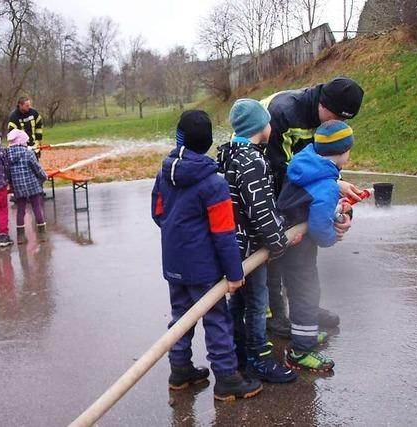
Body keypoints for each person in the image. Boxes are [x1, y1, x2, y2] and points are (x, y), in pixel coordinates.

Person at [151, 110, 262, 402]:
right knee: (216, 320)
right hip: (204, 270)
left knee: (181, 317)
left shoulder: (164, 173)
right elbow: (224, 233)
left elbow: (158, 213)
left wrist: (178, 239)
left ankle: (180, 371)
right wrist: (235, 273)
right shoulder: (215, 184)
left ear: (180, 139)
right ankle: (226, 378)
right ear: (208, 143)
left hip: (174, 264)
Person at [261, 76, 364, 335]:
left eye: (345, 120)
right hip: (265, 182)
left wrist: (338, 206)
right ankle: (273, 316)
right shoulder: (282, 113)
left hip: (293, 183)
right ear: (322, 102)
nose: (337, 124)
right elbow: (279, 175)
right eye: (336, 116)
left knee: (304, 251)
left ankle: (304, 308)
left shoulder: (328, 122)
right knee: (272, 253)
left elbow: (326, 165)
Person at [223, 99, 297, 383]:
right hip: (250, 248)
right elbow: (261, 208)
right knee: (256, 303)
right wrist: (278, 242)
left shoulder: (230, 153)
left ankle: (239, 353)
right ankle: (259, 358)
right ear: (259, 127)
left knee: (238, 303)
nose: (271, 126)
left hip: (233, 247)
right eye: (267, 122)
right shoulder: (253, 160)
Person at [276, 120, 355, 372]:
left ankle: (305, 335)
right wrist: (332, 238)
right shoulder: (327, 185)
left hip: (286, 238)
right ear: (343, 152)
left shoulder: (305, 160)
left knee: (301, 291)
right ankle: (301, 351)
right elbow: (320, 226)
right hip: (300, 246)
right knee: (306, 293)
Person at [6, 129, 48, 244]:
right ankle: (42, 234)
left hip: (18, 187)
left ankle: (20, 236)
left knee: (20, 210)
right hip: (32, 185)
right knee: (36, 207)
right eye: (25, 141)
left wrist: (11, 184)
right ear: (21, 141)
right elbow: (37, 168)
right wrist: (44, 177)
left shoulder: (7, 155)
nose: (26, 143)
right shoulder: (28, 153)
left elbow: (7, 172)